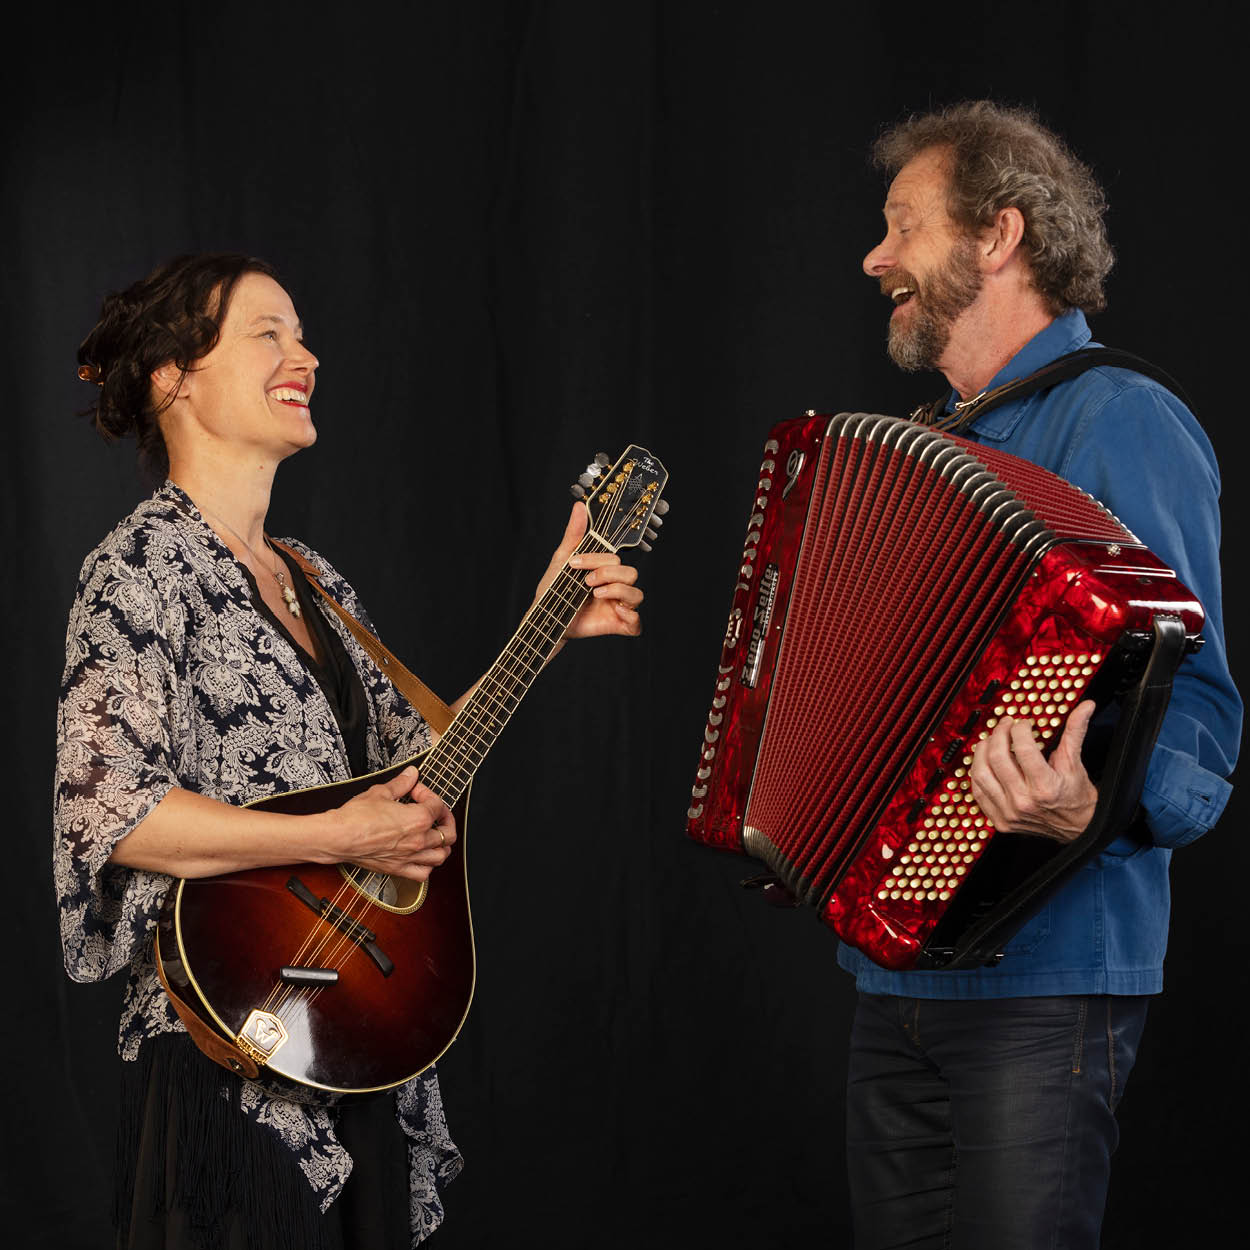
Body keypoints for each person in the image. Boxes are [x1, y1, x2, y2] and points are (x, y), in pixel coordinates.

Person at [53, 253, 645, 1249]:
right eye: (268, 333)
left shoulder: (314, 579)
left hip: (352, 1031)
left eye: (305, 334)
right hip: (228, 1046)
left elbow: (411, 783)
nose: (307, 355)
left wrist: (546, 623)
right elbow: (111, 813)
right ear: (174, 377)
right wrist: (337, 830)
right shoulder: (137, 565)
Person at [841, 101, 1240, 1249]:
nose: (874, 257)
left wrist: (1095, 798)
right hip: (891, 966)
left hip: (1045, 974)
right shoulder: (931, 446)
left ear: (996, 233)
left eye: (900, 224)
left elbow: (1202, 713)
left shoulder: (1121, 421)